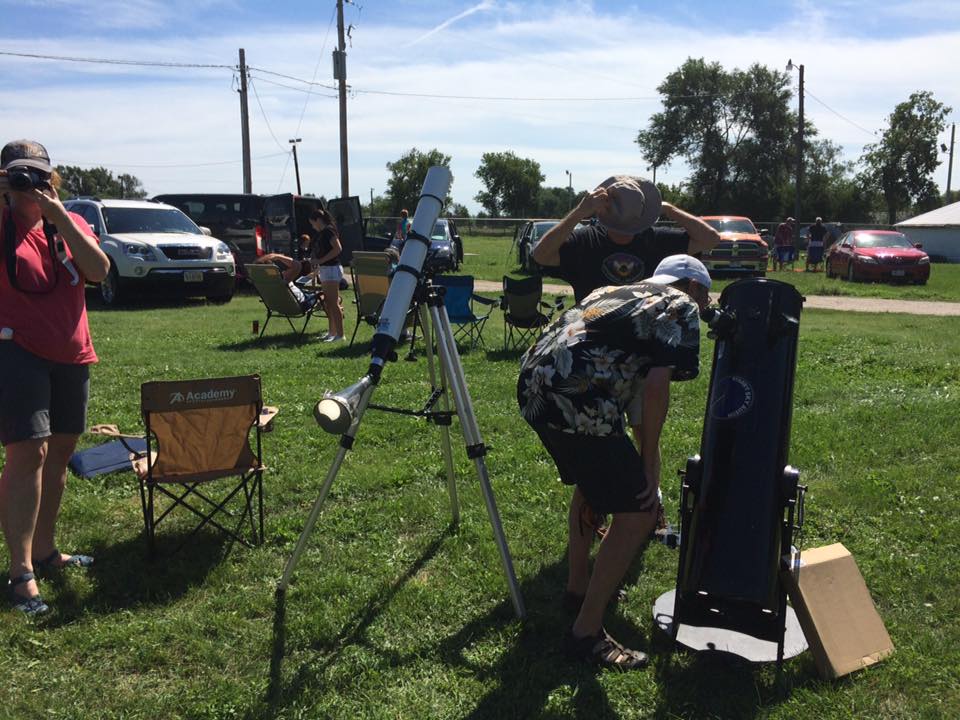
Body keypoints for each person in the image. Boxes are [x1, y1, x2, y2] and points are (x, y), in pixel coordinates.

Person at [518, 254, 712, 669]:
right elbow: (656, 387)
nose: (706, 305)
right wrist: (648, 466)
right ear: (693, 286)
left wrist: (641, 454)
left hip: (535, 386)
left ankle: (577, 590)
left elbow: (633, 389)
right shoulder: (681, 306)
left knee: (591, 487)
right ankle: (585, 633)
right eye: (706, 296)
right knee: (639, 511)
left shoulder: (617, 292)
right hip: (579, 398)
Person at [532, 175, 720, 531]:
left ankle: (650, 505)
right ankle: (605, 512)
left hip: (642, 359)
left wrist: (666, 209)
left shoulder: (656, 238)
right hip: (595, 362)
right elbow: (540, 254)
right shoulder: (585, 239)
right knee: (601, 448)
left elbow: (710, 239)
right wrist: (579, 213)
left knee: (646, 435)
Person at [0, 140, 111, 616]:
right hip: (16, 349)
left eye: (40, 174)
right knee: (29, 451)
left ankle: (46, 550)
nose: (32, 183)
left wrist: (60, 215)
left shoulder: (70, 223)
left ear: (53, 177)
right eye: (20, 174)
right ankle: (21, 570)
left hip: (72, 350)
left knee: (61, 451)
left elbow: (99, 271)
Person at [308, 209, 345, 342]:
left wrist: (320, 260)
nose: (313, 226)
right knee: (328, 303)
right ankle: (332, 333)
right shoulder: (322, 233)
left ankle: (340, 335)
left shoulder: (329, 231)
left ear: (318, 220)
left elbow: (338, 248)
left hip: (331, 269)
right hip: (325, 269)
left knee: (333, 303)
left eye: (313, 223)